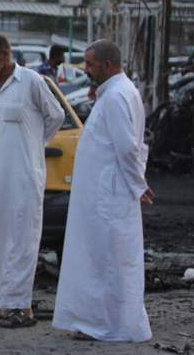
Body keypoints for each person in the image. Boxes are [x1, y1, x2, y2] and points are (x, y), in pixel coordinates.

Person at [52, 40, 153, 342]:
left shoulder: (117, 96)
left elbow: (128, 148)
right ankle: (99, 321)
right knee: (100, 258)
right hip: (103, 194)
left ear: (107, 66)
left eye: (90, 64)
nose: (85, 69)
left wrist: (139, 185)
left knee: (107, 260)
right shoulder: (114, 93)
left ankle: (108, 325)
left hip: (108, 196)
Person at [0, 32, 65, 328]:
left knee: (20, 239)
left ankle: (19, 307)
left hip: (22, 176)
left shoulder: (32, 82)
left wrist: (34, 146)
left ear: (4, 55)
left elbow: (56, 116)